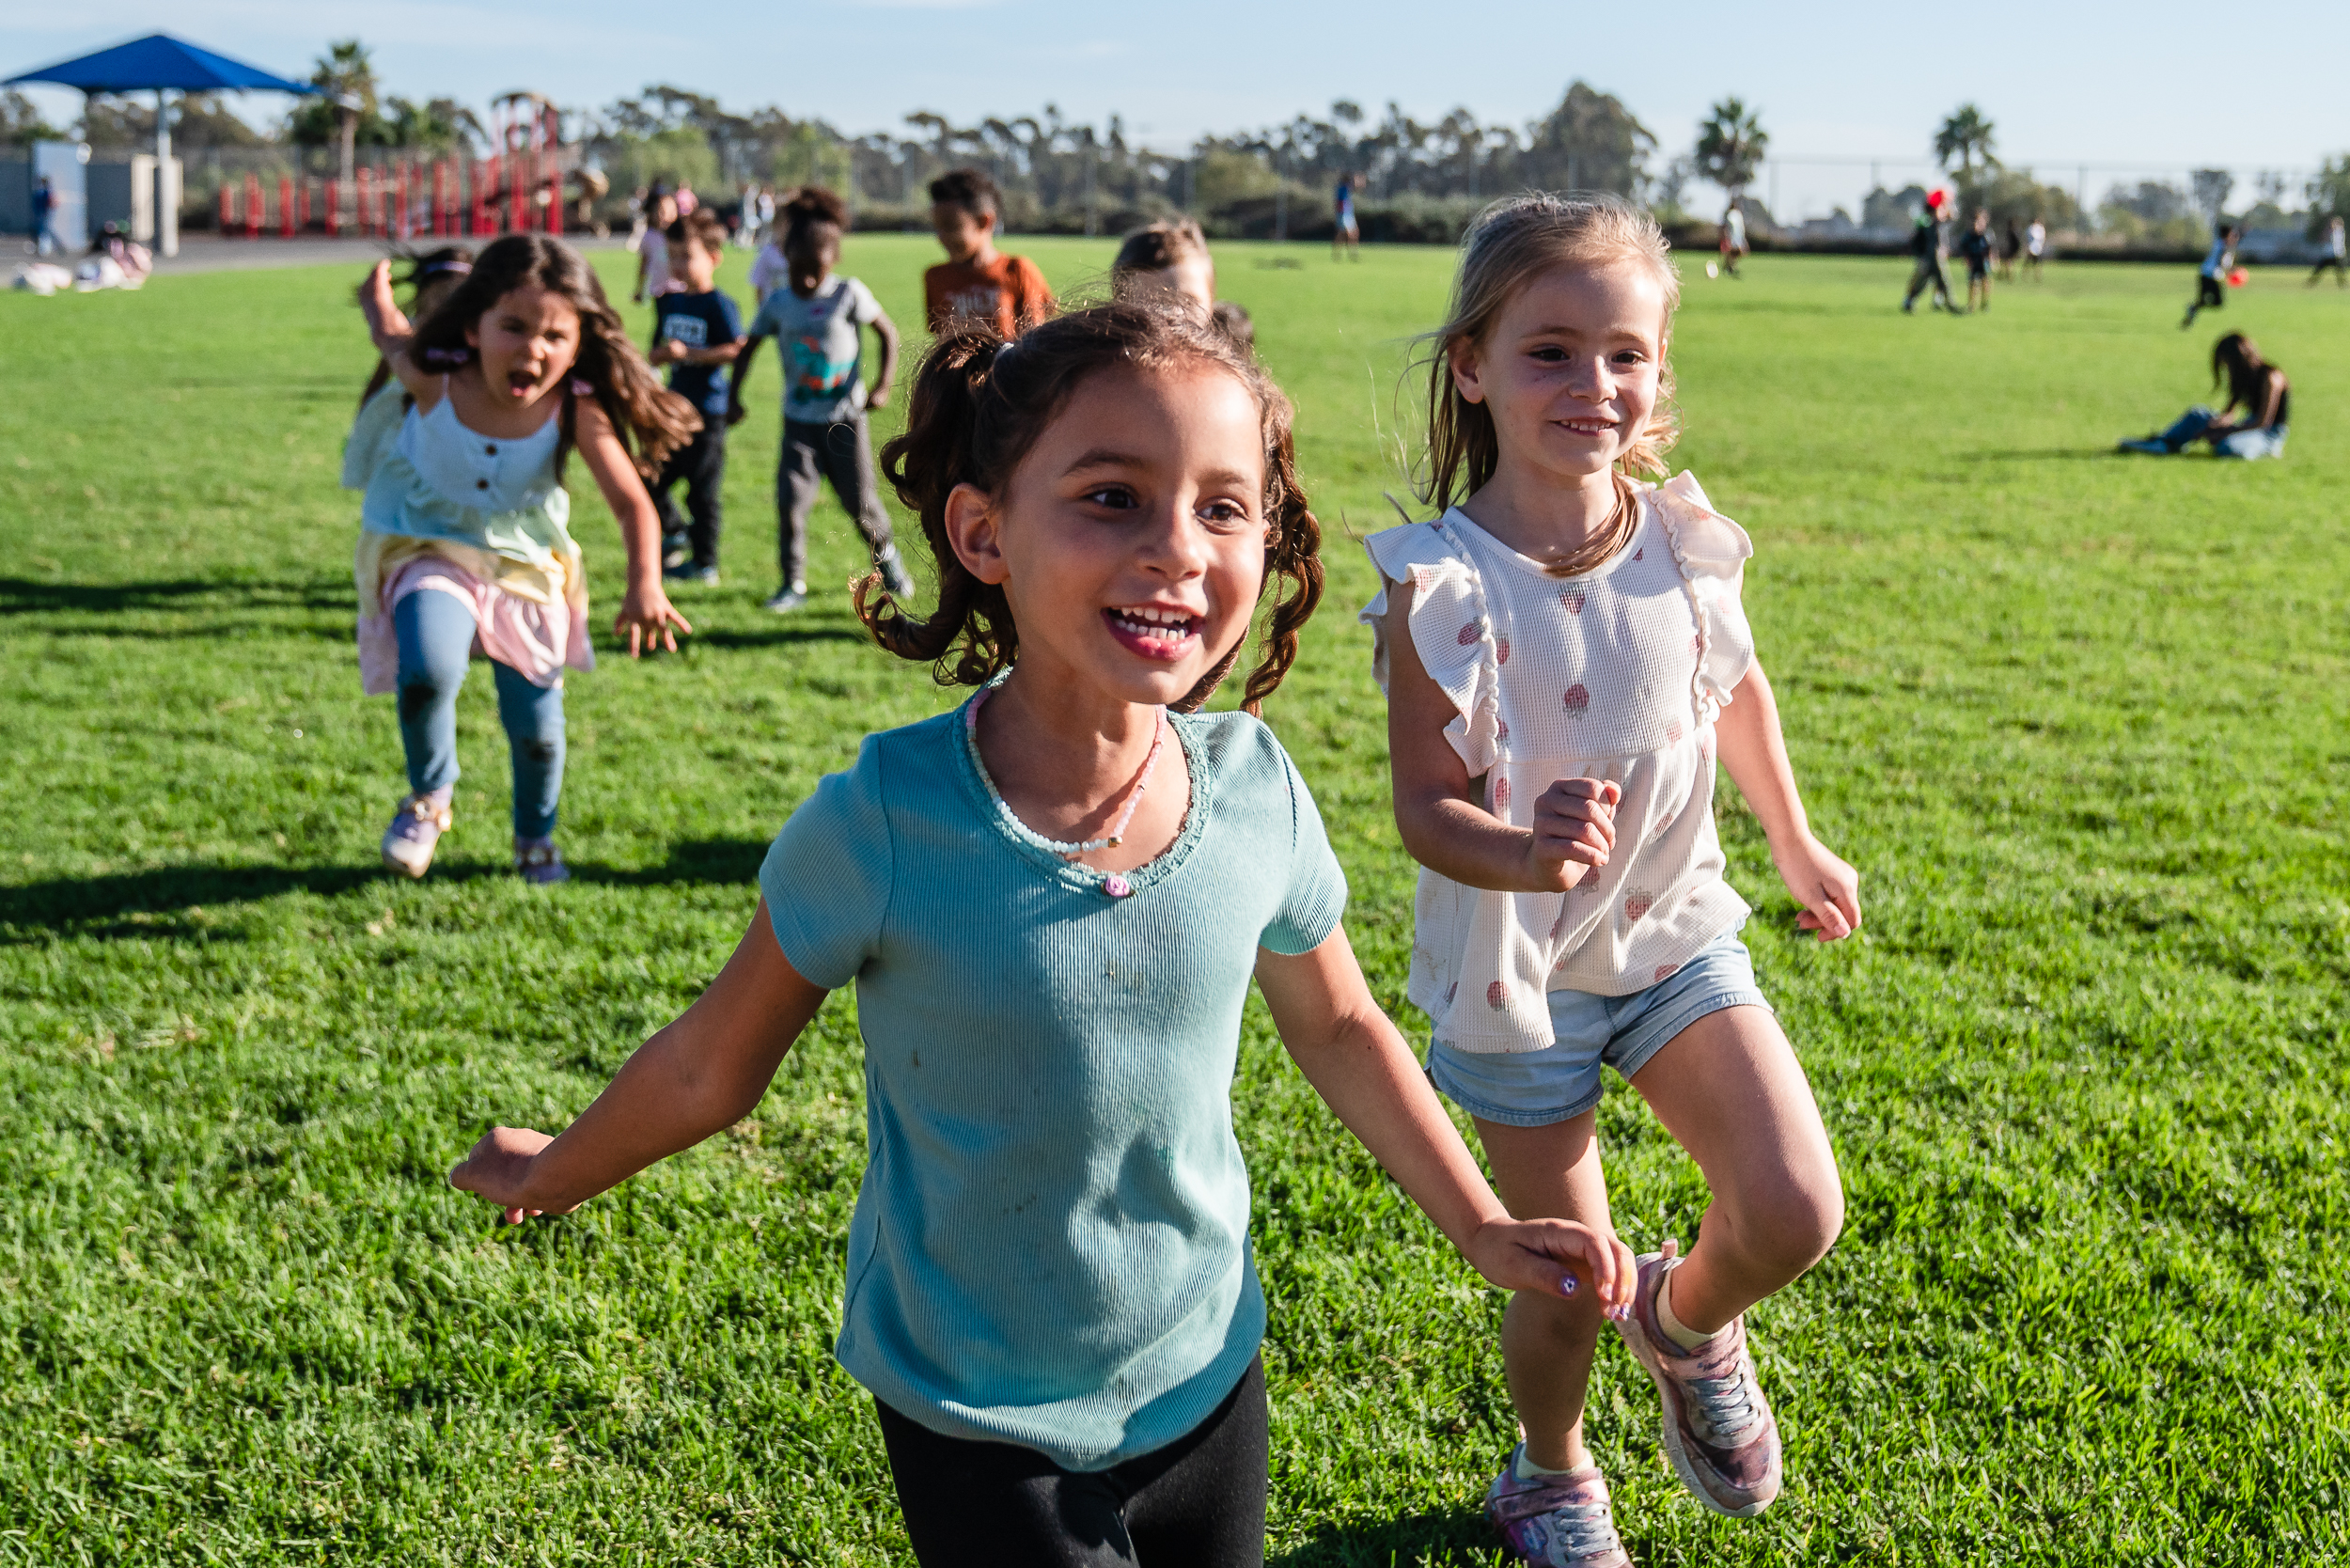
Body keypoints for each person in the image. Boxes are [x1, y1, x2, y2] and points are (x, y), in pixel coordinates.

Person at [449, 297, 1637, 1566]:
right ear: (984, 533)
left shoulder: (1253, 788)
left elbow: (1341, 1026)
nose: (1176, 550)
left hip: (1204, 1374)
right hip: (975, 1408)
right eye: (1112, 498)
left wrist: (1478, 1224)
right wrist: (556, 1169)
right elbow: (710, 1066)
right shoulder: (883, 821)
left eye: (1223, 508)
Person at [1361, 194, 1855, 1565]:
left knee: (1794, 1208)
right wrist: (1520, 852)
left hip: (1673, 933)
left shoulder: (1681, 538)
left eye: (1625, 354)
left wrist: (1794, 840)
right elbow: (1422, 808)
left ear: (1659, 370)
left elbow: (1731, 691)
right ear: (1472, 365)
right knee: (1568, 1278)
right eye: (1551, 352)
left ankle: (1684, 1324)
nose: (1595, 384)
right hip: (1519, 978)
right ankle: (1550, 1472)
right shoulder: (1441, 583)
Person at [353, 235, 697, 884]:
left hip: (526, 567)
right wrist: (377, 306)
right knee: (428, 669)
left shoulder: (575, 408)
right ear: (474, 325)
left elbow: (633, 506)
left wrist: (646, 586)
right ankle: (429, 797)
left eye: (554, 336)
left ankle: (535, 838)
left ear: (578, 344)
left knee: (537, 729)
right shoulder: (434, 378)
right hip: (430, 547)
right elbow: (392, 338)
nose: (532, 350)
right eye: (512, 327)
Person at [728, 185, 915, 612]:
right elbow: (749, 348)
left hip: (846, 421)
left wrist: (881, 386)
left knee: (861, 505)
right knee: (790, 503)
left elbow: (888, 333)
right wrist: (735, 397)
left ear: (834, 260)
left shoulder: (848, 293)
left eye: (816, 270)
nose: (808, 280)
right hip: (799, 422)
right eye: (799, 269)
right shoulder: (779, 303)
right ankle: (791, 584)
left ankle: (889, 562)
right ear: (784, 258)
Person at [647, 209, 746, 587]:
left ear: (713, 258)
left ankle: (705, 565)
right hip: (674, 412)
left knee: (702, 493)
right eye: (672, 256)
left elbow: (736, 349)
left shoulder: (719, 304)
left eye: (686, 256)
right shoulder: (669, 301)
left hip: (708, 412)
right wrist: (659, 357)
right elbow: (657, 348)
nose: (678, 264)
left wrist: (689, 354)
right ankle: (675, 531)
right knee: (648, 477)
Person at [343, 246, 476, 492]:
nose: (446, 303)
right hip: (405, 420)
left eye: (456, 294)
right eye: (439, 294)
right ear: (423, 293)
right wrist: (365, 412)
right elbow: (382, 372)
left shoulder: (478, 333)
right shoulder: (408, 333)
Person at [2117, 331, 2290, 460]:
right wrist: (2212, 427)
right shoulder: (2243, 377)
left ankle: (2268, 450)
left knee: (2227, 448)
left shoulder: (2270, 377)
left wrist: (2228, 432)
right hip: (2248, 425)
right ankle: (2165, 443)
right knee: (2197, 414)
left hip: (2268, 433)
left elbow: (2263, 422)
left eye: (2227, 364)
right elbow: (2229, 414)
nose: (2227, 369)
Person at [924, 167, 1054, 337]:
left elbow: (1036, 338)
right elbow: (939, 337)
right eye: (937, 228)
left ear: (984, 221)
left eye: (951, 227)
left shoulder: (1017, 271)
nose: (941, 237)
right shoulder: (935, 277)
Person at [1110, 218, 1255, 350]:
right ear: (1120, 308)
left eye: (1188, 302)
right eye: (1151, 304)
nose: (1174, 315)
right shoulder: (1106, 368)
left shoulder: (1227, 369)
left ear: (1211, 303)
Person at [1901, 190, 1956, 313]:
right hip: (1928, 258)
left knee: (1942, 281)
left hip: (1936, 258)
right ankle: (1909, 301)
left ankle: (1947, 302)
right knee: (1923, 282)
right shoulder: (1927, 223)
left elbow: (1951, 217)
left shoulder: (1938, 224)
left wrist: (1946, 203)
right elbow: (1919, 240)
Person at [2182, 221, 2241, 329]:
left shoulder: (2220, 243)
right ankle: (2193, 309)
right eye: (2232, 234)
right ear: (2227, 235)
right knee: (2218, 303)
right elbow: (2221, 262)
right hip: (2211, 276)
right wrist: (2231, 270)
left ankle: (2192, 310)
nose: (2234, 236)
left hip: (2205, 274)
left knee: (2203, 300)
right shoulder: (2223, 246)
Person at [631, 187, 681, 305]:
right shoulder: (649, 237)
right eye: (658, 211)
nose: (661, 215)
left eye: (666, 211)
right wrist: (639, 289)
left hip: (680, 289)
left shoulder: (680, 236)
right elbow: (643, 264)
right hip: (659, 291)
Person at [1960, 209, 1996, 313]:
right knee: (1972, 283)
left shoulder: (1988, 234)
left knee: (1985, 282)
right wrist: (1967, 260)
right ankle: (1971, 304)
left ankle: (1985, 303)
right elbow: (1964, 248)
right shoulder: (1969, 235)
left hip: (1984, 261)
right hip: (1973, 260)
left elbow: (1991, 248)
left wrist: (1992, 260)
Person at [2309, 215, 2346, 286]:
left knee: (2321, 268)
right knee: (2339, 270)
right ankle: (2342, 284)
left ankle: (2311, 282)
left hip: (2332, 254)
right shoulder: (2340, 231)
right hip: (2334, 254)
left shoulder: (2337, 232)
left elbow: (2328, 239)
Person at [1334, 172, 1363, 260]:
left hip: (1348, 213)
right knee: (1345, 233)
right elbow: (1338, 202)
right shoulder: (1342, 188)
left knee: (1354, 232)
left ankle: (1351, 253)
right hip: (1343, 213)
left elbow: (1356, 188)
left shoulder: (1345, 188)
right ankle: (1340, 253)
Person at [1717, 196, 1747, 279]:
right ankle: (1729, 267)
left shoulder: (1737, 215)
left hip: (1738, 237)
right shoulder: (1730, 215)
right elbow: (1726, 227)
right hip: (1732, 237)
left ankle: (1729, 266)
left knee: (1736, 253)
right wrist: (1726, 237)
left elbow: (1741, 228)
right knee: (1731, 253)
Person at [32, 176, 58, 257]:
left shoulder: (44, 192)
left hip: (43, 213)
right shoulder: (44, 192)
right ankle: (42, 248)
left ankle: (43, 249)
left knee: (43, 230)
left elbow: (48, 202)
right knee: (43, 230)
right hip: (42, 213)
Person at [1998, 217, 2022, 281]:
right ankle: (2005, 275)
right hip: (2013, 250)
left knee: (2007, 262)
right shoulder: (2016, 232)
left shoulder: (2011, 232)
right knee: (2007, 262)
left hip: (2011, 250)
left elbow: (2011, 242)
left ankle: (2008, 276)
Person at [2026, 216, 2047, 280]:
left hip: (2038, 247)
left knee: (2038, 262)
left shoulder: (2040, 228)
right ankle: (2026, 274)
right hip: (2031, 247)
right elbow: (2028, 238)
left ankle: (2038, 275)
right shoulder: (2030, 228)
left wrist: (2040, 246)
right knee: (2028, 261)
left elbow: (2042, 238)